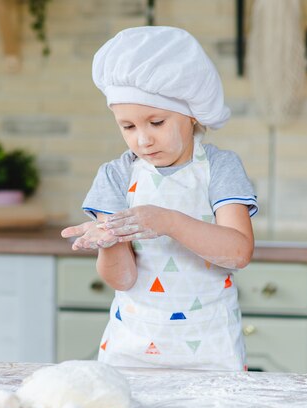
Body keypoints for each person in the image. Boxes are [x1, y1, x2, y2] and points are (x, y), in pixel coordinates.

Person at [61, 26, 258, 371]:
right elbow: (122, 280)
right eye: (128, 127)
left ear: (192, 112)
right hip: (132, 347)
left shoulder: (220, 168)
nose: (143, 140)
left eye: (156, 121)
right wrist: (111, 241)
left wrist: (165, 220)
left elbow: (238, 252)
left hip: (210, 347)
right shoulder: (116, 175)